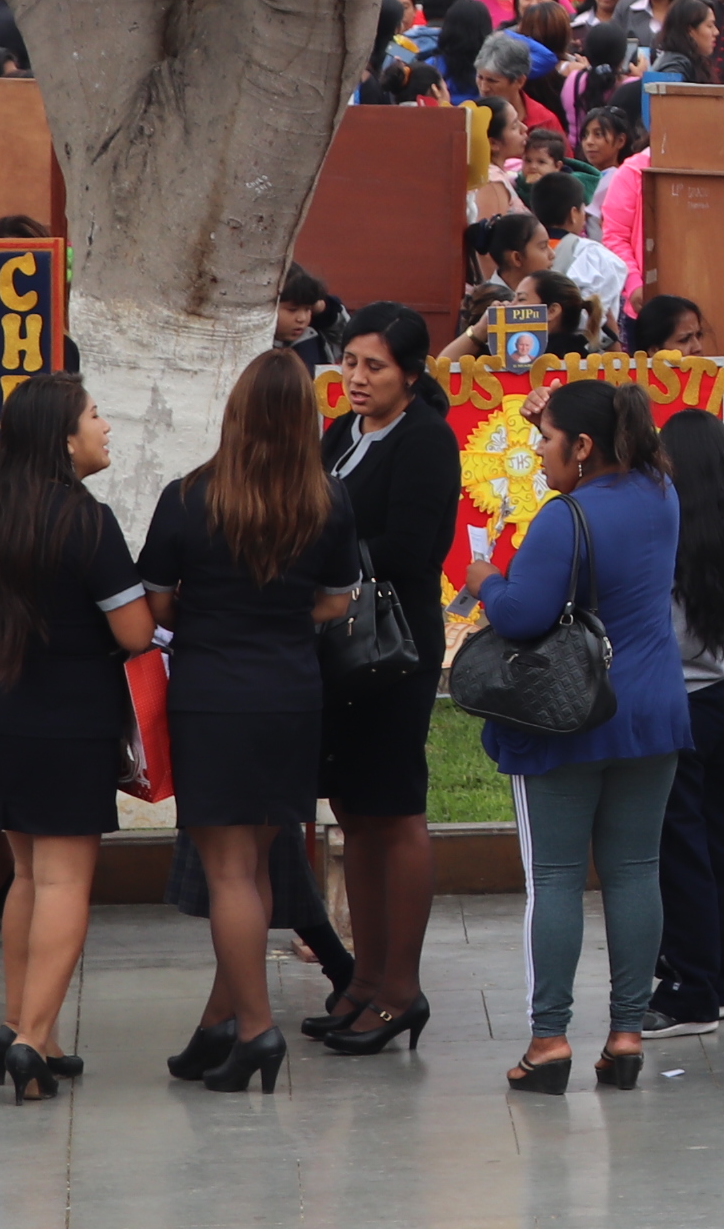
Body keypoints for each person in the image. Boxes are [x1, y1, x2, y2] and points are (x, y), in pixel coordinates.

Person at [140, 348, 361, 1096]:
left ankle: (258, 1030)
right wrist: (280, 614)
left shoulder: (188, 497)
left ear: (233, 414)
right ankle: (219, 1025)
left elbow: (157, 603)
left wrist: (214, 613)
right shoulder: (328, 500)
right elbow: (337, 601)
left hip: (211, 690)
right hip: (293, 693)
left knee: (229, 871)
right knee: (260, 863)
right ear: (307, 420)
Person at [469, 376, 687, 1094]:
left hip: (568, 715)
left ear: (584, 445)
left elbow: (524, 614)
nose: (538, 450)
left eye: (549, 439)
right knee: (634, 871)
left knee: (557, 876)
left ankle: (549, 1039)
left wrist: (485, 580)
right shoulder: (662, 493)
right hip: (651, 709)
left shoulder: (564, 517)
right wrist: (551, 413)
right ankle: (627, 1034)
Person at [0, 374, 156, 1100]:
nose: (106, 427)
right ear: (64, 439)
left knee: (29, 876)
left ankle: (23, 1024)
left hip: (0, 714)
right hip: (70, 719)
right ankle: (33, 1042)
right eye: (96, 416)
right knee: (67, 878)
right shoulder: (86, 520)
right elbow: (133, 631)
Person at [309, 306, 457, 1055]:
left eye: (375, 367)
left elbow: (411, 547)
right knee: (354, 813)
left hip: (392, 649)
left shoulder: (427, 441)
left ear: (410, 373)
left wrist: (326, 554)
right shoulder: (341, 433)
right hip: (338, 648)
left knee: (395, 812)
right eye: (351, 362)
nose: (358, 378)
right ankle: (363, 980)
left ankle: (401, 989)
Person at [648, 408, 724, 1039]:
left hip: (684, 700)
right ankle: (716, 979)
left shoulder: (669, 531)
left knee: (681, 846)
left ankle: (689, 990)